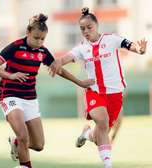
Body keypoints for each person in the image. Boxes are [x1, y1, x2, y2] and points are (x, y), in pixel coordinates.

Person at [0, 14, 94, 168]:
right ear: (28, 32)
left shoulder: (42, 51)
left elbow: (59, 70)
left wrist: (80, 82)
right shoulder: (15, 46)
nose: (39, 42)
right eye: (36, 38)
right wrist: (11, 75)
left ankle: (16, 142)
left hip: (30, 98)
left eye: (43, 39)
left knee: (38, 145)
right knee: (23, 135)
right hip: (10, 95)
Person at [52, 7, 147, 168]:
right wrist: (56, 62)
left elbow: (130, 45)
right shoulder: (82, 48)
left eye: (89, 27)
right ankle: (108, 165)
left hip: (115, 93)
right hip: (94, 91)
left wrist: (139, 49)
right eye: (82, 29)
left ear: (97, 26)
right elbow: (66, 58)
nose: (86, 31)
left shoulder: (111, 39)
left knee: (99, 136)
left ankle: (86, 134)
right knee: (102, 122)